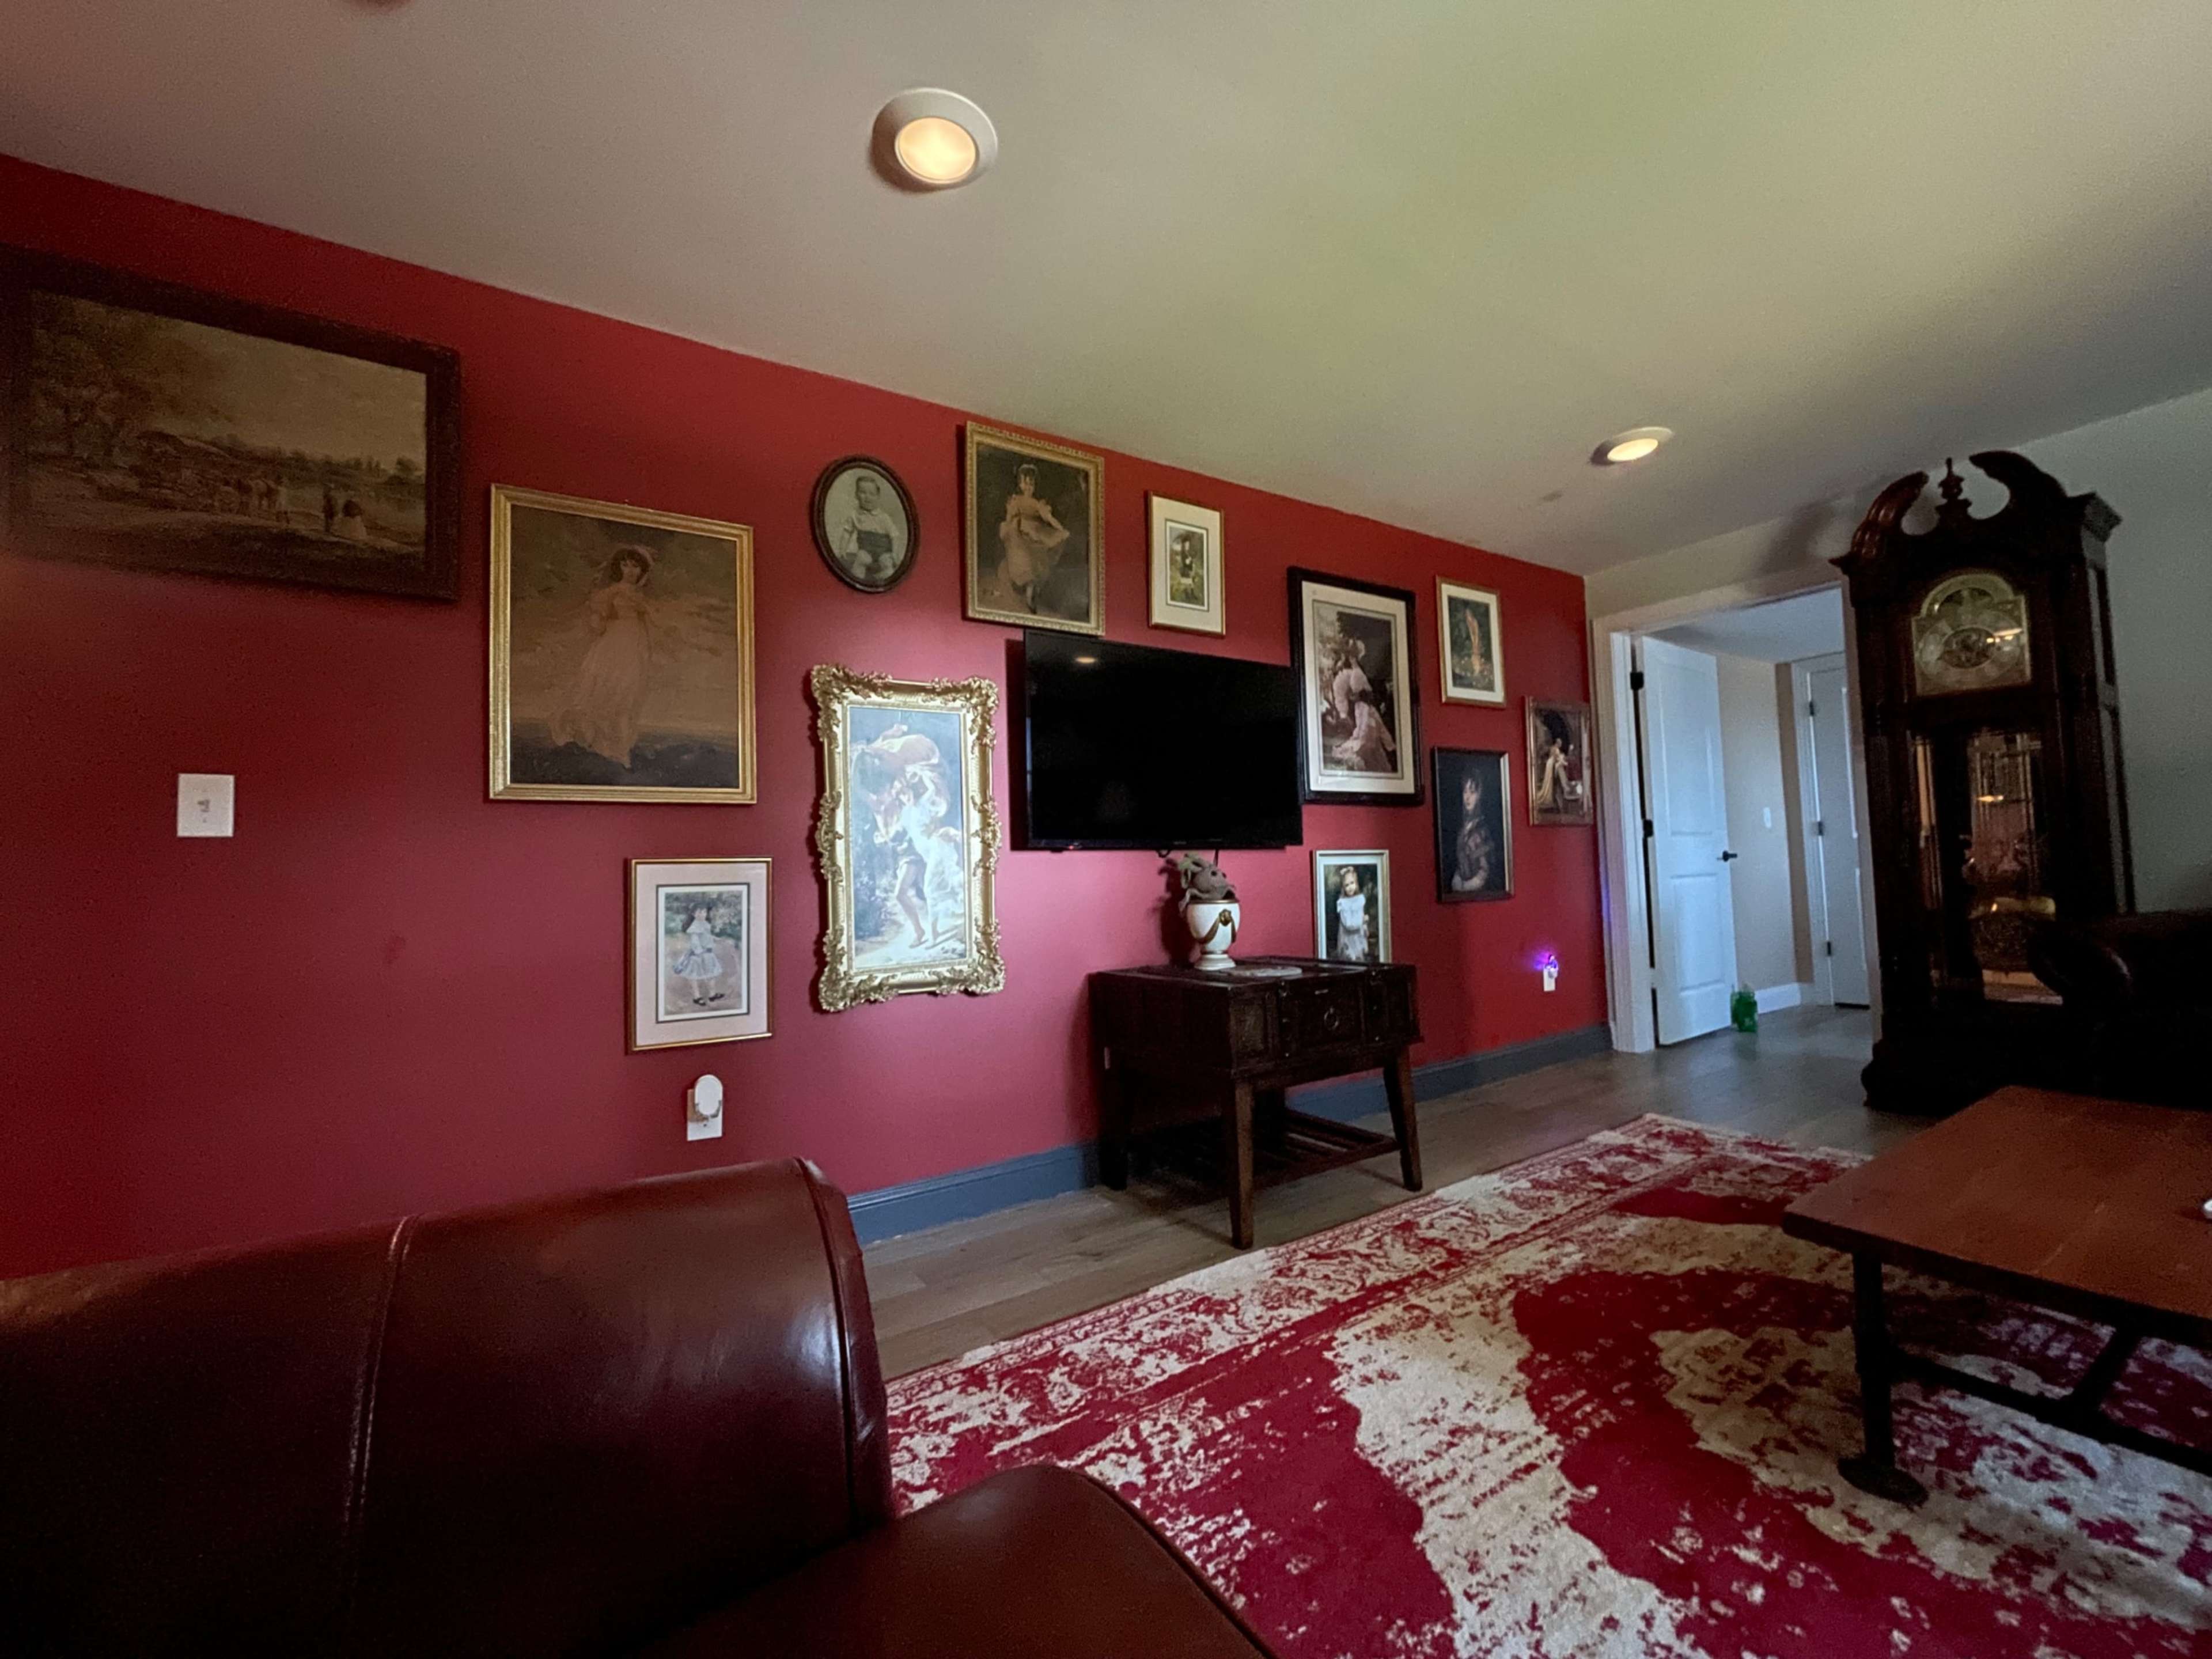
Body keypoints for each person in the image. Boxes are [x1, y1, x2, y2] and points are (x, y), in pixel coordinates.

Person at [551, 546, 656, 768]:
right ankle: (604, 749)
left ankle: (620, 752)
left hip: (635, 648)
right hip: (614, 646)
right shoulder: (612, 592)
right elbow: (597, 625)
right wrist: (601, 618)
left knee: (627, 698)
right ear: (619, 568)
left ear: (642, 570)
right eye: (625, 565)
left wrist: (645, 651)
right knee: (607, 695)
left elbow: (648, 626)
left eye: (635, 566)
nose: (630, 571)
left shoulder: (641, 595)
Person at [997, 463, 1070, 613]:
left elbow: (1049, 519)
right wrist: (1009, 525)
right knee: (1024, 561)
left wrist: (1061, 529)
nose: (1028, 487)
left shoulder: (1037, 504)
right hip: (1019, 534)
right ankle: (1027, 592)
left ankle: (1032, 592)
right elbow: (1009, 517)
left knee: (1038, 562)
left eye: (1031, 484)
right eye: (1025, 483)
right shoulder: (1017, 500)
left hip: (1035, 534)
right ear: (1020, 484)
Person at [834, 472, 902, 585]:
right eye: (863, 492)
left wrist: (895, 554)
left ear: (878, 496)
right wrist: (842, 550)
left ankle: (877, 579)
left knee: (888, 565)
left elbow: (895, 536)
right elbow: (847, 532)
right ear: (856, 495)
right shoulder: (855, 515)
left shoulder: (884, 518)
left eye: (872, 494)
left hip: (884, 551)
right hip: (866, 550)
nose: (867, 497)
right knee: (860, 559)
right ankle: (857, 581)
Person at [668, 904, 725, 1006]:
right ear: (694, 914)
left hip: (708, 954)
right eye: (700, 912)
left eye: (704, 912)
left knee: (711, 974)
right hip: (699, 955)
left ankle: (712, 995)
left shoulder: (705, 924)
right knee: (694, 976)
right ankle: (697, 997)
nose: (703, 914)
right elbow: (695, 942)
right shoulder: (695, 927)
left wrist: (715, 939)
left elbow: (706, 936)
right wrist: (700, 953)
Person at [1450, 771, 1497, 893]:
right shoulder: (1463, 829)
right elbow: (1461, 863)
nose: (1468, 797)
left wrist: (1466, 887)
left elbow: (1485, 872)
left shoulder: (1482, 829)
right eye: (1465, 792)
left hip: (1479, 893)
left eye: (1472, 792)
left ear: (1479, 795)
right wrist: (1457, 880)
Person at [1332, 865, 1370, 962]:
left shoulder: (1360, 899)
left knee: (1360, 959)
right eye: (1347, 885)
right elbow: (1349, 924)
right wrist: (1362, 920)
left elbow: (1361, 915)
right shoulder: (1343, 903)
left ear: (1356, 883)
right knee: (1350, 960)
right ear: (1343, 887)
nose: (1350, 887)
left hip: (1359, 938)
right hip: (1348, 939)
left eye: (1352, 883)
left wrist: (1365, 926)